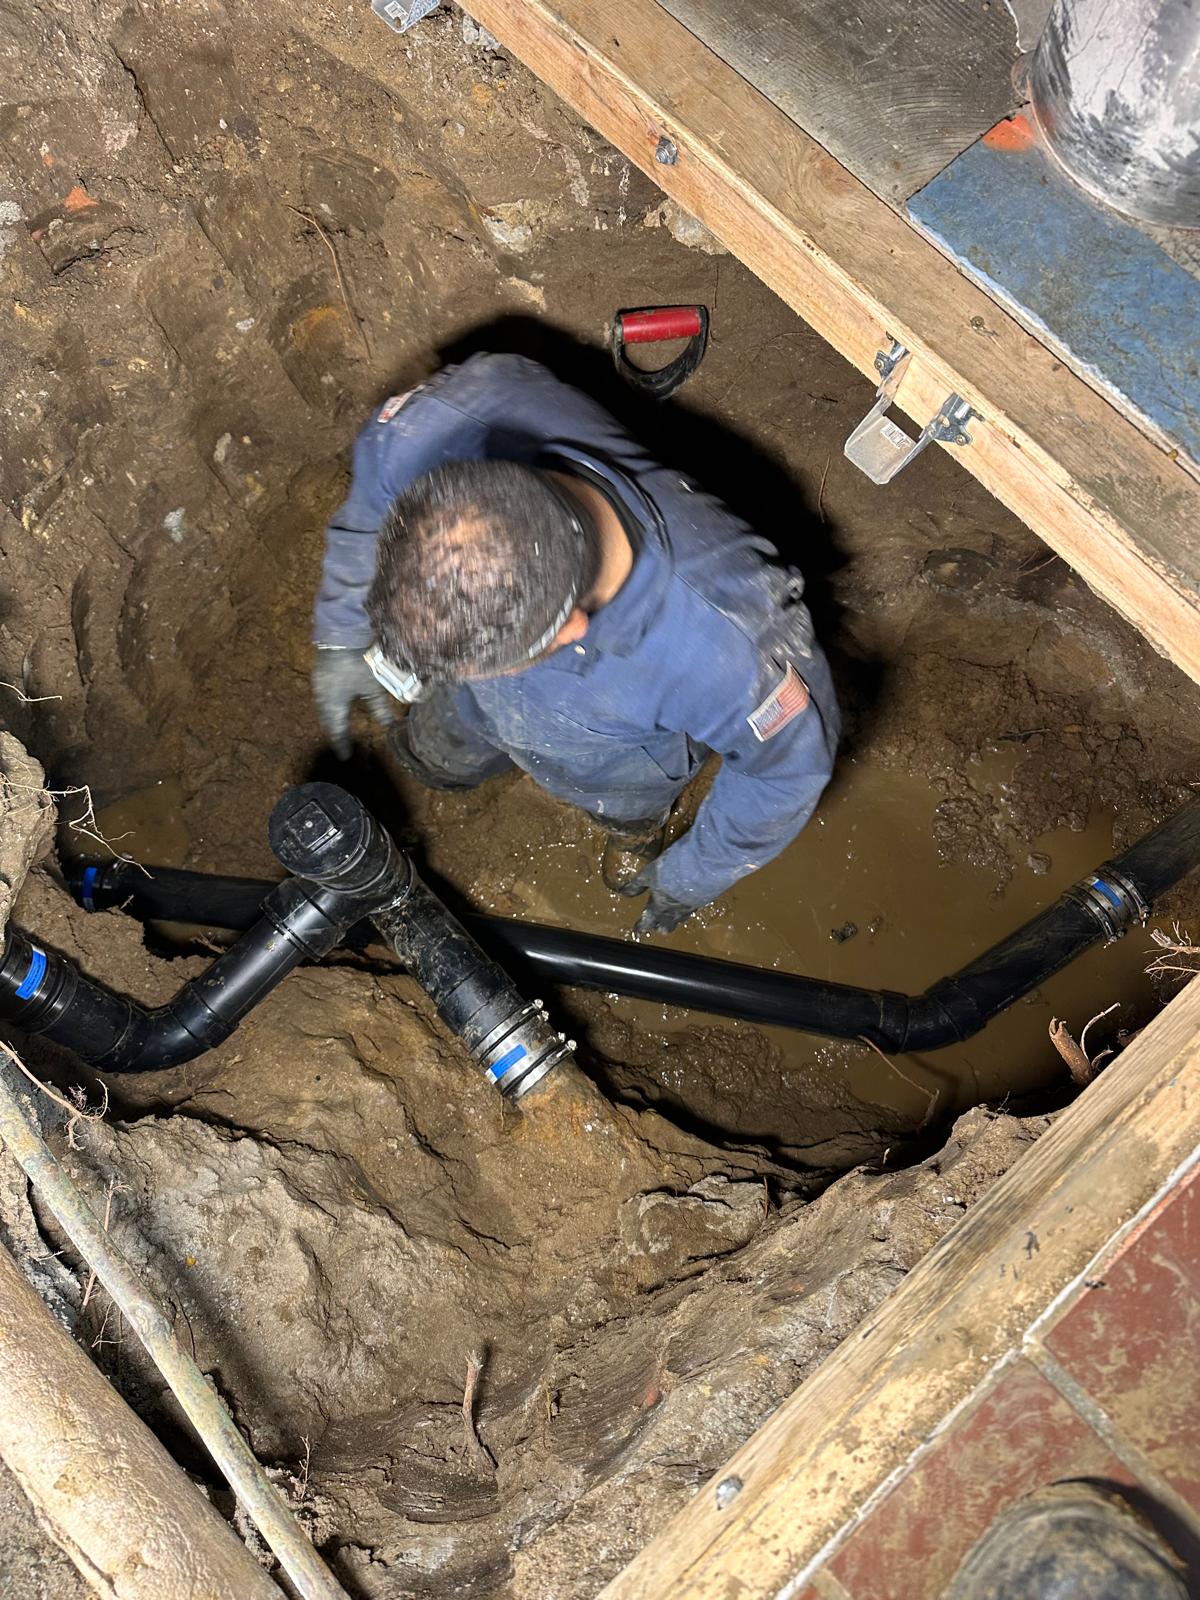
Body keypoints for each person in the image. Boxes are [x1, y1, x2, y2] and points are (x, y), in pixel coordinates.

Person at [311, 352, 839, 934]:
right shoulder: (454, 417)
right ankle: (443, 760)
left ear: (568, 633)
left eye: (486, 666)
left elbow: (783, 775)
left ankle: (632, 830)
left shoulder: (730, 644)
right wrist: (340, 635)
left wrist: (691, 876)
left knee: (621, 796)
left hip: (616, 759)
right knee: (445, 738)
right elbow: (369, 507)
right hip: (480, 709)